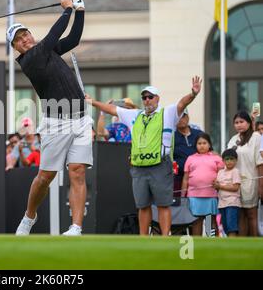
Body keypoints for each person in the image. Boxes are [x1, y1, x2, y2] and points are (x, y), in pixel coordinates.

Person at [10, 0, 92, 236]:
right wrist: (68, 10)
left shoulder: (47, 51)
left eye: (25, 34)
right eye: (18, 40)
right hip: (57, 122)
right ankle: (29, 217)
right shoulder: (30, 60)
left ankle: (76, 228)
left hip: (80, 119)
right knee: (46, 176)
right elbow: (54, 35)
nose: (24, 39)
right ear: (16, 48)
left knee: (77, 170)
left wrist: (80, 11)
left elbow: (73, 39)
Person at [87, 76, 203, 235]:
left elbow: (182, 103)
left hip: (160, 166)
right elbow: (112, 110)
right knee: (142, 206)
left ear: (157, 99)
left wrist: (193, 94)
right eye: (144, 97)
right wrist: (93, 102)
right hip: (139, 167)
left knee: (163, 205)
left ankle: (164, 236)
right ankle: (143, 239)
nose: (147, 100)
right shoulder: (135, 114)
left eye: (150, 97)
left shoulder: (167, 113)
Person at [227, 111, 263, 236]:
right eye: (236, 123)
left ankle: (254, 243)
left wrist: (261, 186)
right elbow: (227, 158)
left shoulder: (256, 137)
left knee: (252, 214)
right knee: (240, 214)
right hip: (236, 183)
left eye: (242, 122)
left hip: (252, 181)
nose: (239, 125)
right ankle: (242, 243)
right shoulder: (233, 139)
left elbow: (260, 163)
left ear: (249, 123)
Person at [181, 133, 224, 236]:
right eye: (199, 143)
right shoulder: (190, 158)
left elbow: (222, 175)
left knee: (210, 221)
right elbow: (185, 179)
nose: (202, 145)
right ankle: (197, 244)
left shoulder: (216, 158)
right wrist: (183, 195)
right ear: (196, 145)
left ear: (209, 144)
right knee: (197, 221)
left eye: (204, 143)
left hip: (211, 196)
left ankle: (211, 244)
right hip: (194, 197)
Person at [173, 109, 204, 198]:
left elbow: (208, 152)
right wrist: (175, 170)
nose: (181, 119)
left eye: (183, 116)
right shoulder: (172, 136)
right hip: (178, 178)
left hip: (199, 177)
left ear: (188, 117)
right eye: (177, 117)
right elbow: (169, 157)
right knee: (180, 205)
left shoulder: (198, 133)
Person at [214, 149, 241, 237]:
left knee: (231, 227)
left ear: (236, 160)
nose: (229, 161)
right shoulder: (220, 172)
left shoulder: (235, 171)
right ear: (223, 161)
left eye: (232, 159)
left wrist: (220, 186)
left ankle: (233, 248)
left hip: (232, 203)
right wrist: (214, 185)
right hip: (222, 204)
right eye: (227, 159)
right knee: (225, 227)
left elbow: (236, 187)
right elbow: (217, 187)